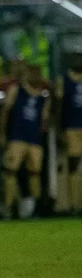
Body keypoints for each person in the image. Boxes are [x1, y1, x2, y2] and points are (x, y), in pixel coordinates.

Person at [0, 65, 50, 218]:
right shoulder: (17, 90)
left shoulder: (43, 96)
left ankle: (35, 208)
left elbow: (44, 120)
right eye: (33, 73)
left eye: (38, 73)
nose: (36, 76)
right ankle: (9, 208)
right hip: (17, 137)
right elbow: (5, 111)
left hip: (34, 139)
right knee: (11, 171)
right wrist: (2, 133)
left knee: (35, 173)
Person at [56, 58, 82, 214]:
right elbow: (59, 106)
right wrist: (60, 128)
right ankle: (75, 205)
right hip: (72, 128)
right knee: (74, 165)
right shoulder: (63, 80)